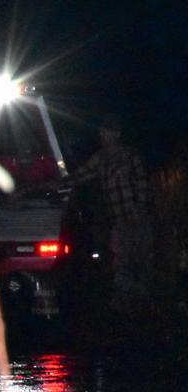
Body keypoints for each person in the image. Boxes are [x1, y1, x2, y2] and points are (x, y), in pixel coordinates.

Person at [61, 114, 154, 314]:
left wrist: (139, 210)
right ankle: (127, 304)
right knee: (121, 261)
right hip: (119, 220)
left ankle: (145, 302)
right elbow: (78, 176)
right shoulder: (100, 160)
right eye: (102, 132)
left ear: (117, 134)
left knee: (142, 260)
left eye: (108, 132)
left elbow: (142, 185)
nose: (104, 136)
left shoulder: (130, 156)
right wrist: (53, 183)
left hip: (138, 218)